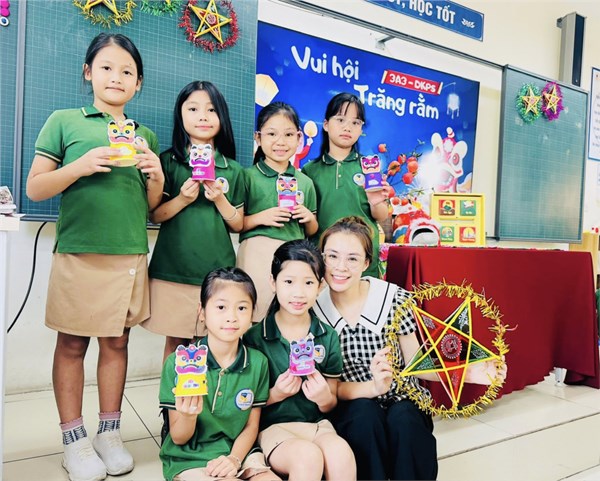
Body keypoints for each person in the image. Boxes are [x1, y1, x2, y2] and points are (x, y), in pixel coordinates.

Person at [26, 33, 164, 481]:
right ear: (88, 72)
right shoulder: (64, 121)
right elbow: (35, 188)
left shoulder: (144, 135)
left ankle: (109, 433)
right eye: (106, 67)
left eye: (127, 71)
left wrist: (156, 175)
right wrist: (80, 166)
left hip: (129, 253)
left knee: (117, 343)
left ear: (138, 83)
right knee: (71, 344)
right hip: (79, 252)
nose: (116, 77)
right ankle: (73, 440)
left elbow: (151, 206)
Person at [313, 216, 507, 480]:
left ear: (367, 263)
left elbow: (416, 363)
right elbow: (332, 389)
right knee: (364, 418)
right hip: (353, 402)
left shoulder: (391, 298)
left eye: (352, 258)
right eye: (332, 256)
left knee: (405, 419)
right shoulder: (314, 310)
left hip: (402, 396)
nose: (340, 267)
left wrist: (469, 371)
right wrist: (373, 387)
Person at [142, 81, 244, 361]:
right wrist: (183, 199)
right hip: (173, 268)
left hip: (217, 272)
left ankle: (207, 392)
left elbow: (238, 224)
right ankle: (172, 391)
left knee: (210, 342)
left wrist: (220, 199)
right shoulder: (167, 161)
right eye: (193, 109)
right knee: (176, 342)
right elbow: (154, 215)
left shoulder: (233, 169)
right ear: (180, 114)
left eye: (211, 110)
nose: (203, 116)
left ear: (222, 116)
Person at [243, 240, 356, 481]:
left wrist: (323, 397)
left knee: (342, 454)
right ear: (273, 282)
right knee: (307, 457)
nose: (298, 293)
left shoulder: (327, 336)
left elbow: (330, 403)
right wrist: (275, 394)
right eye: (288, 282)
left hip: (317, 425)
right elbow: (244, 405)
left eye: (308, 283)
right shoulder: (254, 338)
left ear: (320, 286)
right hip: (272, 429)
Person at [159, 267, 280, 481]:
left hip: (240, 452)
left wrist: (234, 459)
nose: (231, 317)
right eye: (221, 307)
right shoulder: (178, 363)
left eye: (242, 308)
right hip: (191, 457)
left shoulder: (258, 362)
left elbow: (251, 426)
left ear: (252, 314)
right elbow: (178, 438)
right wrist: (188, 416)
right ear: (202, 312)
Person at [238, 102, 318, 322]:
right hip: (256, 254)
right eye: (272, 134)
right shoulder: (247, 176)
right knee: (254, 316)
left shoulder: (305, 182)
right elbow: (235, 223)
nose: (280, 142)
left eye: (289, 134)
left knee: (288, 317)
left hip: (294, 256)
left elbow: (312, 229)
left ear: (299, 138)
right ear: (258, 137)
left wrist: (308, 217)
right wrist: (261, 217)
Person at [302, 92, 390, 278]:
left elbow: (381, 215)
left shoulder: (369, 167)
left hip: (362, 259)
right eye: (340, 120)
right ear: (326, 125)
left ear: (361, 129)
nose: (347, 127)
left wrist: (376, 201)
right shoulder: (309, 171)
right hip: (323, 259)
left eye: (355, 123)